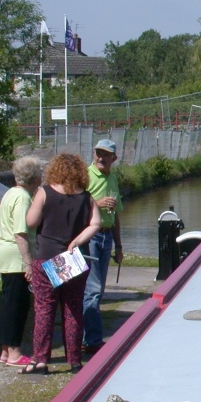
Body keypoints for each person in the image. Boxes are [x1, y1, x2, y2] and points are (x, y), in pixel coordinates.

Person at [24, 153, 101, 374]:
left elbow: (31, 222)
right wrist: (77, 240)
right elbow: (95, 223)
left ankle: (40, 360)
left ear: (54, 170)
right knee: (73, 309)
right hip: (73, 258)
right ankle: (75, 360)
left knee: (45, 308)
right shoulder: (86, 197)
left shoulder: (44, 192)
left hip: (47, 256)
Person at [0, 156, 42, 367]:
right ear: (34, 177)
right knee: (18, 305)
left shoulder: (9, 193)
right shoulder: (23, 197)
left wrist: (4, 236)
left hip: (4, 251)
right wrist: (28, 263)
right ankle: (14, 352)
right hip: (17, 256)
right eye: (40, 172)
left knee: (8, 302)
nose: (42, 176)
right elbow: (21, 232)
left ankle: (5, 349)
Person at [83, 139, 124, 354]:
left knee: (98, 289)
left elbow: (116, 214)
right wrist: (96, 203)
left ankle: (87, 336)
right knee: (93, 289)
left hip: (106, 237)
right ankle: (93, 340)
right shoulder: (86, 176)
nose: (100, 157)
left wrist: (118, 245)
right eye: (98, 153)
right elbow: (76, 204)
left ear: (113, 159)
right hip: (91, 236)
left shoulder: (113, 179)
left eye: (105, 154)